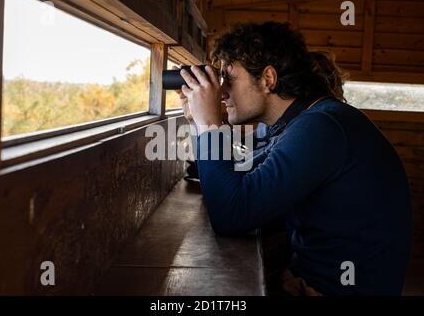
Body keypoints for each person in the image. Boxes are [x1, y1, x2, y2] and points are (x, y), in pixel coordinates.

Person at [175, 21, 412, 296]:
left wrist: (209, 125)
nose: (222, 91)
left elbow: (231, 214)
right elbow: (238, 179)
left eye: (228, 78)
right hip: (312, 276)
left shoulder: (323, 126)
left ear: (268, 79)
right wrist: (198, 122)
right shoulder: (306, 121)